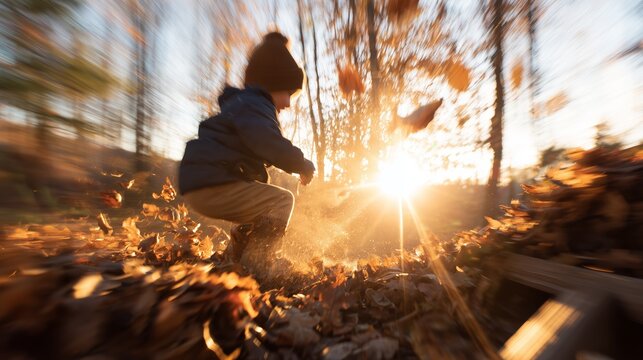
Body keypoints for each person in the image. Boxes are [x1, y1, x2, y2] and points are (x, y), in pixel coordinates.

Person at [178, 32, 315, 264]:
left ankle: (235, 260)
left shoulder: (243, 105)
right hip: (211, 182)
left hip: (200, 183)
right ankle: (260, 264)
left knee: (260, 204)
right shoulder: (256, 105)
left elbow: (257, 144)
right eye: (289, 93)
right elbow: (267, 142)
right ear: (274, 84)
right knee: (280, 201)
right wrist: (301, 163)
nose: (289, 103)